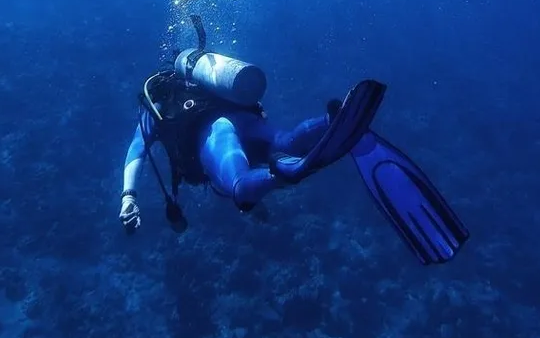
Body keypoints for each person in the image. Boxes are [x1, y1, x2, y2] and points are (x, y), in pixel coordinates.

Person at [119, 17, 469, 266]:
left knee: (238, 185)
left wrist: (128, 196)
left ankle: (286, 173)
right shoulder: (203, 84)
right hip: (241, 115)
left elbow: (137, 152)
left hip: (214, 133)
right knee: (287, 138)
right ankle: (331, 121)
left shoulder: (155, 103)